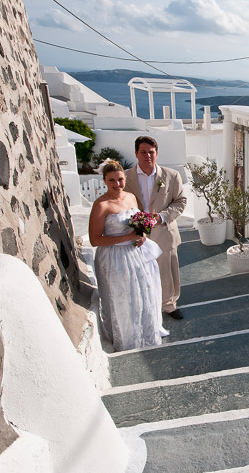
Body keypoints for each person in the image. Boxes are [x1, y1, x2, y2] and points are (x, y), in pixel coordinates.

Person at [89, 161, 162, 351]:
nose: (117, 184)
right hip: (114, 258)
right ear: (105, 181)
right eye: (112, 180)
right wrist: (129, 236)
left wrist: (142, 233)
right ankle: (126, 339)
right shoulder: (101, 205)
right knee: (121, 298)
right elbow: (95, 240)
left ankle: (144, 335)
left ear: (125, 178)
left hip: (136, 254)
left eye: (120, 179)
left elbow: (138, 222)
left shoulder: (131, 197)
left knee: (142, 293)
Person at [124, 136, 188, 319]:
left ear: (157, 153)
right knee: (139, 271)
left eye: (151, 152)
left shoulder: (171, 176)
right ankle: (145, 306)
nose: (147, 156)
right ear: (136, 153)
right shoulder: (126, 177)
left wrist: (160, 217)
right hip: (135, 233)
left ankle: (169, 305)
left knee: (167, 271)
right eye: (143, 152)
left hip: (164, 232)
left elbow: (180, 201)